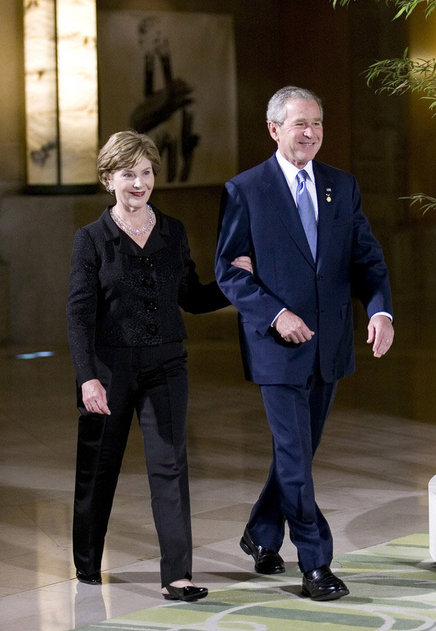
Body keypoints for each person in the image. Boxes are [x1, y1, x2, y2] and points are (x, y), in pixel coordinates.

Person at [215, 86, 394, 601]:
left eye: (317, 122)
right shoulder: (245, 190)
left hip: (330, 343)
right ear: (274, 129)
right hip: (277, 346)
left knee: (298, 454)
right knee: (294, 454)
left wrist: (380, 309)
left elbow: (367, 260)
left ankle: (261, 534)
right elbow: (228, 270)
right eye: (300, 124)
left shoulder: (342, 185)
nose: (311, 132)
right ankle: (315, 564)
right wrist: (276, 313)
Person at [66, 130, 248, 601]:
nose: (139, 182)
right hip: (108, 371)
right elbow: (79, 315)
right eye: (129, 173)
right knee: (98, 468)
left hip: (167, 363)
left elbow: (190, 297)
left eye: (146, 172)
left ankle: (178, 576)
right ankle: (86, 562)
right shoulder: (91, 240)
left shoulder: (172, 231)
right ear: (109, 179)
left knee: (170, 465)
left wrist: (233, 282)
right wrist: (87, 377)